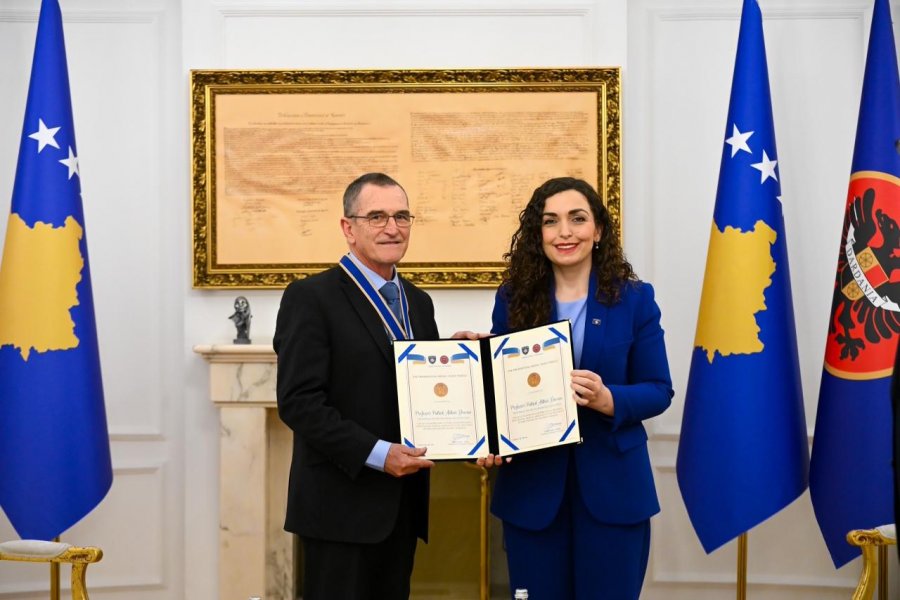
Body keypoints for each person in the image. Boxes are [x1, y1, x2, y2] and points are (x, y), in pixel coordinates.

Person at [479, 177, 673, 599]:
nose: (564, 232)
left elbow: (659, 389)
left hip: (614, 493)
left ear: (598, 230)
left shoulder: (635, 300)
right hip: (532, 493)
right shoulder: (512, 298)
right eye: (550, 222)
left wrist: (609, 399)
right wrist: (474, 377)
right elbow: (500, 389)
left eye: (577, 219)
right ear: (538, 234)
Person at [274, 172, 439, 600]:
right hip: (338, 510)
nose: (392, 227)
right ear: (349, 228)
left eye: (402, 216)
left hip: (401, 508)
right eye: (377, 216)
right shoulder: (310, 297)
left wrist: (462, 363)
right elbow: (299, 403)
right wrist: (379, 455)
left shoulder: (418, 303)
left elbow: (425, 390)